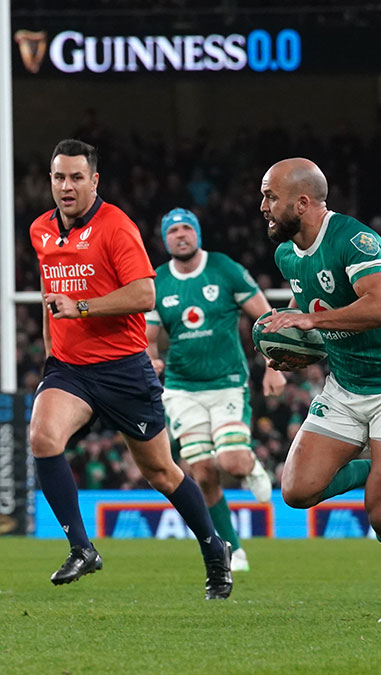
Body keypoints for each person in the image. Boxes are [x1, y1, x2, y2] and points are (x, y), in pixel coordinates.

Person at [28, 139, 230, 597]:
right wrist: (50, 354)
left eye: (77, 177)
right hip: (71, 370)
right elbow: (49, 294)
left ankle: (214, 546)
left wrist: (79, 307)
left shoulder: (116, 227)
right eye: (59, 177)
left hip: (123, 369)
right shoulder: (41, 229)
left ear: (94, 180)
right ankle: (82, 548)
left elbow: (144, 296)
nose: (67, 186)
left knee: (161, 472)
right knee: (42, 436)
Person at [257, 158, 381, 622]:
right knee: (295, 490)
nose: (264, 207)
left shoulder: (355, 239)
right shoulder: (287, 254)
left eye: (271, 197)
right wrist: (289, 348)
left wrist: (309, 320)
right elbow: (307, 306)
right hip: (346, 383)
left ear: (303, 202)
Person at [145, 208, 287, 572]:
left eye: (186, 228)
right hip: (181, 389)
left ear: (197, 234)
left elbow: (265, 317)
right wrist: (154, 358)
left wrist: (273, 365)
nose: (181, 235)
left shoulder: (224, 268)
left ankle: (252, 466)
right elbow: (147, 340)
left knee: (230, 463)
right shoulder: (158, 281)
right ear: (165, 239)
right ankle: (233, 549)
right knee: (203, 473)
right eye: (173, 230)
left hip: (226, 383)